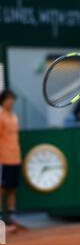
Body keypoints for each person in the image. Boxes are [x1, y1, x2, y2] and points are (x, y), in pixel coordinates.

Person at [0, 90, 23, 229]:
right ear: (3, 101)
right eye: (9, 99)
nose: (11, 102)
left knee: (12, 188)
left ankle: (11, 216)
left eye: (12, 99)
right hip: (3, 158)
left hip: (15, 157)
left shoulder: (14, 116)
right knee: (1, 187)